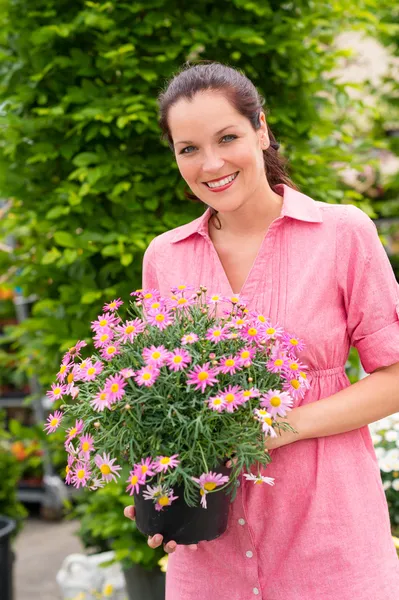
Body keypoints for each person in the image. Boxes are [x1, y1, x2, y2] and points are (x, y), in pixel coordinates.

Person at [124, 62, 399, 599]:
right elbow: (161, 398)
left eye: (227, 137)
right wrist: (158, 484)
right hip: (210, 557)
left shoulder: (342, 233)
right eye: (188, 148)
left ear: (262, 130)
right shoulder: (165, 258)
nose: (211, 163)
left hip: (329, 544)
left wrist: (274, 428)